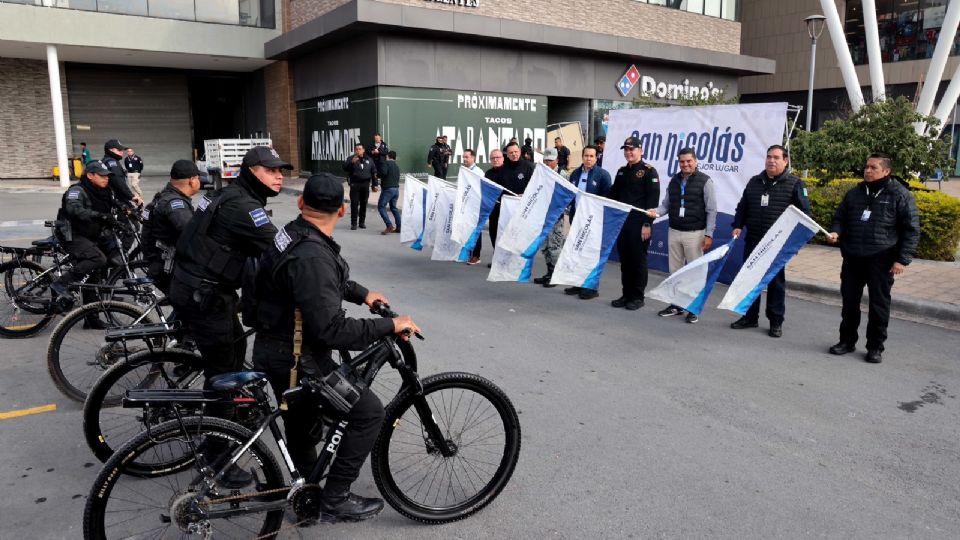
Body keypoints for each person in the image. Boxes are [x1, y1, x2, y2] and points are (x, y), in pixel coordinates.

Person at [251, 173, 420, 522]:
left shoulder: (294, 233)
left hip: (277, 346)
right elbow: (332, 329)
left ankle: (307, 499)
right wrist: (390, 324)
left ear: (301, 203)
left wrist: (363, 295)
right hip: (299, 359)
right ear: (343, 211)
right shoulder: (313, 255)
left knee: (300, 424)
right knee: (368, 412)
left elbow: (323, 281)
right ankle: (336, 497)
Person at [168, 146, 288, 382]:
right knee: (222, 372)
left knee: (235, 345)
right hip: (204, 296)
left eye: (281, 170)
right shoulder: (244, 207)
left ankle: (232, 408)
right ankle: (220, 416)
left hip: (194, 286)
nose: (280, 176)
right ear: (252, 172)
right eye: (271, 170)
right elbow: (282, 249)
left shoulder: (225, 193)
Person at [826, 153, 919, 363]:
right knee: (850, 302)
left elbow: (911, 229)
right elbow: (840, 218)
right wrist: (836, 232)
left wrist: (902, 259)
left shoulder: (900, 195)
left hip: (882, 258)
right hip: (853, 257)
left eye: (873, 167)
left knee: (878, 305)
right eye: (866, 167)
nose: (867, 170)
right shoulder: (855, 193)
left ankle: (875, 347)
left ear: (886, 171)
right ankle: (846, 341)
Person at [730, 145, 810, 338]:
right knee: (750, 281)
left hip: (778, 244)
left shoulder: (795, 184)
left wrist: (793, 242)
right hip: (754, 240)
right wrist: (738, 224)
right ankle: (749, 317)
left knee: (775, 284)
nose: (771, 161)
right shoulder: (754, 182)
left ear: (785, 161)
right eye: (768, 157)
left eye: (776, 157)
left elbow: (805, 215)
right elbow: (743, 207)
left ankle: (775, 322)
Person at [648, 147, 717, 323]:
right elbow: (665, 206)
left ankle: (694, 308)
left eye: (689, 161)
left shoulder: (705, 181)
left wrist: (709, 234)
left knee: (695, 273)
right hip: (674, 231)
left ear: (696, 161)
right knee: (675, 272)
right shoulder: (674, 181)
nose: (685, 164)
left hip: (695, 234)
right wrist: (655, 213)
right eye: (682, 162)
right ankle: (677, 305)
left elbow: (711, 210)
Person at [50, 160, 121, 326]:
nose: (106, 179)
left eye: (108, 176)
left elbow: (115, 205)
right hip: (72, 235)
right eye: (102, 176)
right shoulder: (76, 191)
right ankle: (61, 284)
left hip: (91, 234)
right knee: (97, 259)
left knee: (94, 276)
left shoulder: (103, 192)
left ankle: (92, 320)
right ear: (90, 175)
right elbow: (74, 209)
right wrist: (100, 216)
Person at [607, 136, 660, 308]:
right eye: (626, 149)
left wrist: (647, 225)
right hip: (622, 222)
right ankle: (626, 294)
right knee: (626, 260)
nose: (629, 152)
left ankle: (637, 297)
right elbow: (613, 196)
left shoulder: (649, 171)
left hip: (639, 224)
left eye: (632, 149)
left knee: (638, 260)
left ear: (641, 150)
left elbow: (653, 201)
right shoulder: (622, 171)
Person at [557, 145, 612, 297]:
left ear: (596, 158)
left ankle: (591, 288)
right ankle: (578, 283)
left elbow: (607, 199)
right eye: (586, 156)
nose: (588, 159)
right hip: (576, 218)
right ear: (582, 157)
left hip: (593, 221)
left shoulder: (603, 175)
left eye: (591, 156)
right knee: (578, 252)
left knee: (590, 254)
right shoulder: (575, 173)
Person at [139, 160, 202, 294]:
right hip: (168, 267)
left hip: (160, 263)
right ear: (191, 180)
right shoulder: (175, 204)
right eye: (198, 178)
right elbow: (192, 231)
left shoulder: (166, 196)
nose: (199, 181)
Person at [531, 148, 568, 288]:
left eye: (550, 160)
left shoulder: (562, 174)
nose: (547, 162)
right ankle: (549, 272)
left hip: (555, 217)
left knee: (554, 247)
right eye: (545, 160)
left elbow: (567, 196)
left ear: (557, 160)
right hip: (542, 216)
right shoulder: (540, 173)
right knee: (545, 247)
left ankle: (556, 275)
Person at [489, 142, 534, 248]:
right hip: (506, 210)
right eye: (511, 152)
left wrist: (525, 195)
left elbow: (535, 187)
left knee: (519, 238)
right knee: (504, 237)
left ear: (519, 152)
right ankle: (501, 261)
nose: (514, 154)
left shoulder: (529, 167)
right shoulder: (503, 169)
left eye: (516, 151)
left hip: (523, 209)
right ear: (507, 155)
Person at [467, 149, 503, 266]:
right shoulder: (488, 174)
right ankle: (497, 258)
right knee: (493, 233)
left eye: (498, 157)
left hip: (507, 209)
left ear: (503, 158)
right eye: (493, 158)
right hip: (492, 209)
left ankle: (505, 261)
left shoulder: (508, 171)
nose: (495, 160)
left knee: (505, 235)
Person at [343, 142, 379, 230]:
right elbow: (345, 168)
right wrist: (351, 163)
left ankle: (362, 222)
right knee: (354, 204)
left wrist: (375, 184)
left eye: (360, 149)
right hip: (355, 184)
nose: (358, 150)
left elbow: (374, 172)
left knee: (364, 204)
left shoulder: (369, 159)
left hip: (365, 184)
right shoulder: (351, 158)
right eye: (356, 149)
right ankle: (354, 223)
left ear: (363, 150)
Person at [101, 139, 140, 206]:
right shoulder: (112, 163)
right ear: (111, 150)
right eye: (119, 150)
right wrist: (132, 196)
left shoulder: (105, 161)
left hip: (110, 199)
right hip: (116, 200)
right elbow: (118, 182)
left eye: (122, 150)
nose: (122, 152)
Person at [377, 150, 401, 234]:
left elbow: (383, 172)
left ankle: (389, 225)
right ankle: (399, 227)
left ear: (388, 156)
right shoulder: (397, 166)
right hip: (396, 189)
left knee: (381, 206)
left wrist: (377, 175)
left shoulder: (386, 163)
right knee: (394, 208)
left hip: (388, 189)